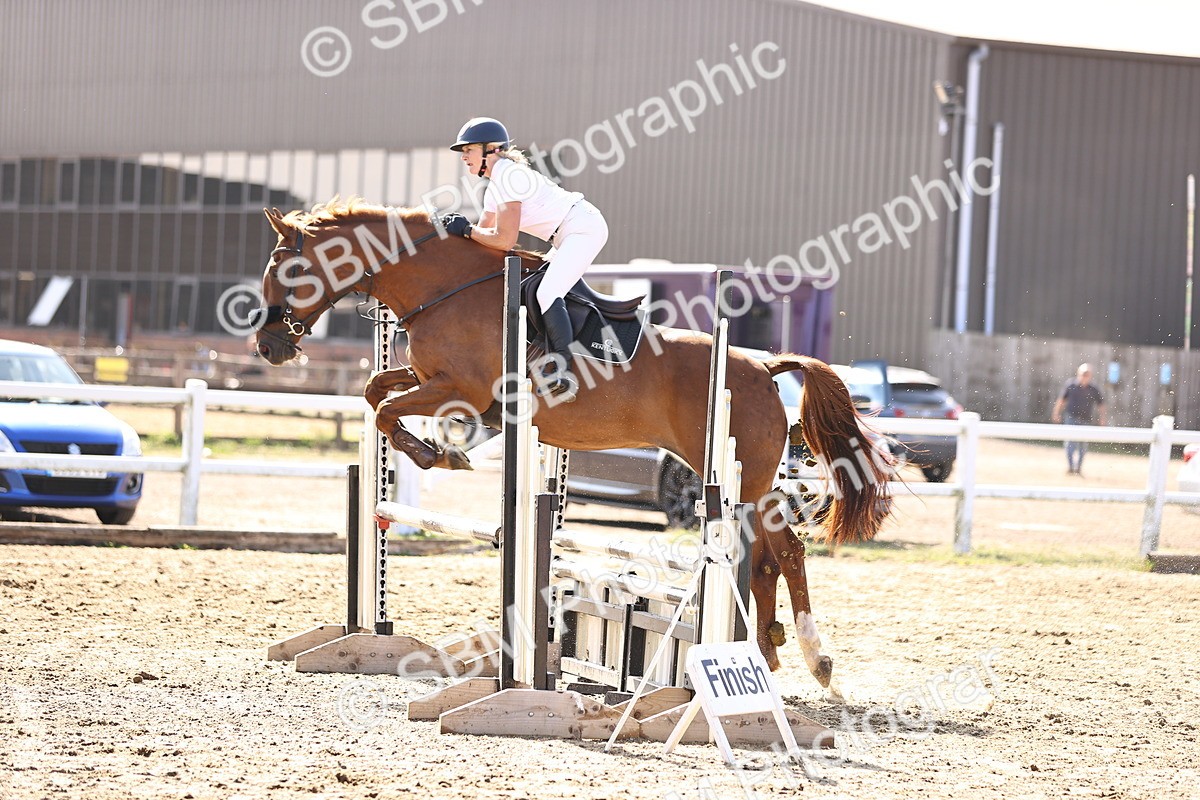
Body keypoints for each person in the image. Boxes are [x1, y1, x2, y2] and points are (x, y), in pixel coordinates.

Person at [441, 117, 609, 403]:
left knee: (547, 292)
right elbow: (483, 240)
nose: (464, 157)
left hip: (582, 228)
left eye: (468, 150)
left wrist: (466, 230)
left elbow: (503, 240)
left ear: (490, 149)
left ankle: (564, 373)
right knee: (532, 289)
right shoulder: (496, 184)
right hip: (566, 233)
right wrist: (456, 236)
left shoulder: (507, 175)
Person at [1051, 363, 1107, 475]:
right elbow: (1061, 400)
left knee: (1083, 445)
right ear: (1078, 373)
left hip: (1085, 420)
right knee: (1070, 444)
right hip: (1071, 418)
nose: (1085, 376)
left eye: (1087, 374)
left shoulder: (1094, 389)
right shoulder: (1070, 385)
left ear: (1090, 375)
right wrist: (1056, 413)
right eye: (1083, 374)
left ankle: (1078, 467)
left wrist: (1102, 418)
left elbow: (1101, 404)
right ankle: (1071, 466)